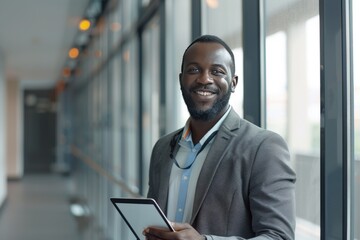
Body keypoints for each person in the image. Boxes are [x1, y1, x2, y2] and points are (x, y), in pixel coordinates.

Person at [143, 35, 296, 240]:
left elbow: (279, 236)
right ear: (181, 80)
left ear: (233, 83)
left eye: (217, 71)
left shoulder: (264, 147)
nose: (204, 79)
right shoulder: (162, 148)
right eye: (194, 70)